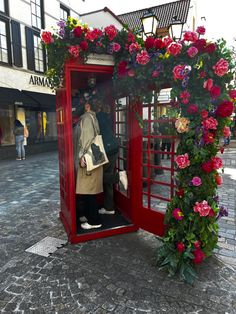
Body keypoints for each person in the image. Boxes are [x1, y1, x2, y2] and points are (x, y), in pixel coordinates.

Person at [73, 101, 103, 230]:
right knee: (88, 190)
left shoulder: (86, 118)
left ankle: (94, 221)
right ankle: (88, 215)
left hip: (87, 159)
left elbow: (86, 139)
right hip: (93, 157)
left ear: (87, 106)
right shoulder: (93, 117)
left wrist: (82, 157)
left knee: (88, 190)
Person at [96, 102, 128, 215]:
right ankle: (109, 207)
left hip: (107, 150)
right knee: (107, 180)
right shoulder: (105, 116)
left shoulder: (97, 117)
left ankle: (119, 176)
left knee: (98, 177)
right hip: (113, 148)